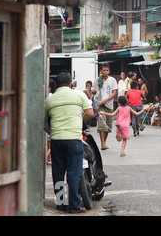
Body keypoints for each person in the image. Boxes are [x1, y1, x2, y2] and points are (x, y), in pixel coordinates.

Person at [44, 72, 94, 214]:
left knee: (58, 173)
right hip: (73, 139)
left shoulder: (49, 101)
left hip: (56, 140)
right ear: (71, 84)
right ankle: (74, 206)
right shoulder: (79, 95)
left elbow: (44, 123)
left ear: (55, 85)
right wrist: (79, 121)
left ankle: (61, 204)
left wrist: (52, 132)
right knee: (73, 173)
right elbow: (90, 113)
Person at [93, 63, 118, 150]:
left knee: (108, 124)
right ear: (101, 71)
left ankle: (104, 142)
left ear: (109, 71)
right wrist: (94, 93)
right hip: (100, 105)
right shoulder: (97, 80)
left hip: (109, 105)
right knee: (101, 124)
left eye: (107, 70)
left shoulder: (112, 80)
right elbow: (95, 92)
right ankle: (102, 144)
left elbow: (114, 92)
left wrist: (106, 100)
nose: (105, 72)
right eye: (104, 70)